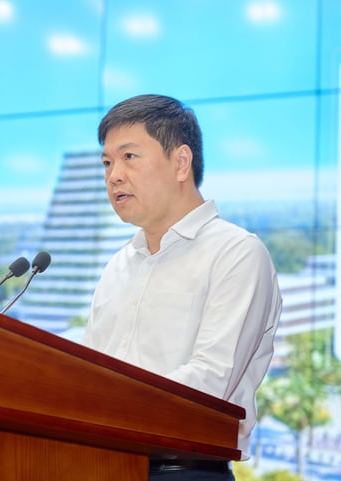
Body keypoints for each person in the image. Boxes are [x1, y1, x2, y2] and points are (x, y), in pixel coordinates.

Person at [81, 94, 282, 481]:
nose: (113, 175)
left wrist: (105, 403)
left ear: (180, 163)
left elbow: (210, 381)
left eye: (129, 157)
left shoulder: (236, 253)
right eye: (107, 162)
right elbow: (91, 369)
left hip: (184, 471)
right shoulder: (119, 264)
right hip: (100, 465)